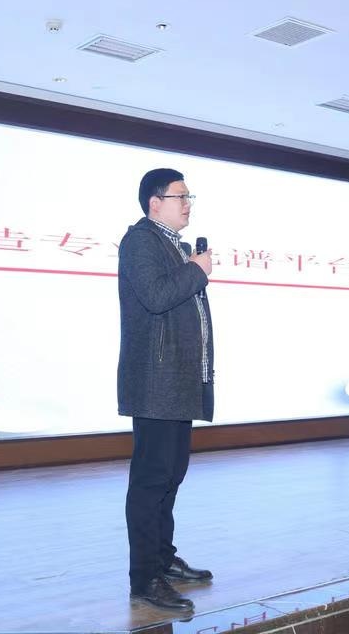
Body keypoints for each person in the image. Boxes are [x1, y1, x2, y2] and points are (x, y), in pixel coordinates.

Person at [118, 168, 215, 613]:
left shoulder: (173, 245)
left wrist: (191, 267)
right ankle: (144, 580)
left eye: (189, 196)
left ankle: (163, 560)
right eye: (181, 196)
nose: (188, 203)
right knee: (151, 481)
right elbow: (156, 297)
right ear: (155, 203)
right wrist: (196, 270)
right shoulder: (140, 240)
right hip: (155, 383)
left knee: (171, 475)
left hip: (177, 382)